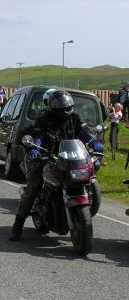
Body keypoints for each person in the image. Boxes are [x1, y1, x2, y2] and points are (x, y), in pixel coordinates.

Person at [9, 89, 104, 241]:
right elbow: (38, 135)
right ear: (52, 107)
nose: (64, 110)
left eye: (66, 107)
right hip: (46, 156)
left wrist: (94, 142)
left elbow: (84, 131)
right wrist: (34, 148)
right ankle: (17, 226)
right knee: (33, 188)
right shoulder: (44, 117)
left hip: (68, 156)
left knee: (86, 174)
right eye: (60, 108)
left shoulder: (74, 117)